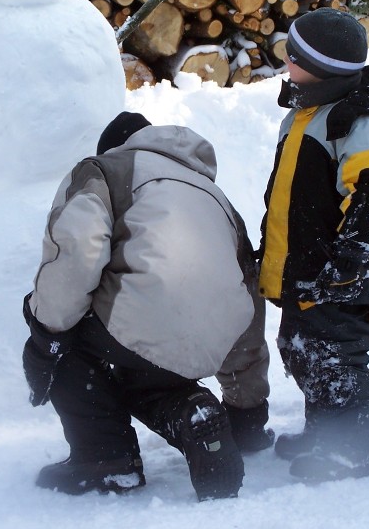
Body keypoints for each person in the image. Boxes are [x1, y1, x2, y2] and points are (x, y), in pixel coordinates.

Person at [22, 112, 273, 501]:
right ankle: (191, 411)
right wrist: (248, 411)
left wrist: (44, 339)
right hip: (212, 332)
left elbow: (75, 257)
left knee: (67, 342)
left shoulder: (102, 170)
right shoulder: (214, 196)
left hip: (139, 322)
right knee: (146, 365)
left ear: (113, 148)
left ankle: (104, 461)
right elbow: (246, 290)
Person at [258, 8, 369, 483]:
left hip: (341, 266)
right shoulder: (306, 112)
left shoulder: (360, 118)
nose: (285, 63)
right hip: (306, 263)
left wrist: (353, 250)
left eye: (293, 56)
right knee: (303, 348)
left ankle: (351, 448)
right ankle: (327, 432)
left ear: (321, 67)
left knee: (335, 354)